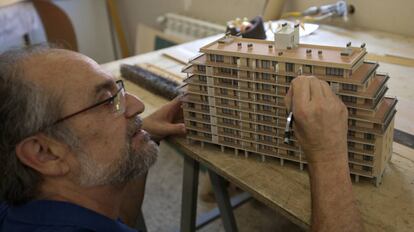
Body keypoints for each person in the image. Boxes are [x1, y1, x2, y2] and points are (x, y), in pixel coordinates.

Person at [0, 46, 362, 232]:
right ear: (44, 152)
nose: (137, 105)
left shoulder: (39, 208)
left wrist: (139, 139)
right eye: (106, 101)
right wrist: (328, 154)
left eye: (119, 91)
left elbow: (120, 220)